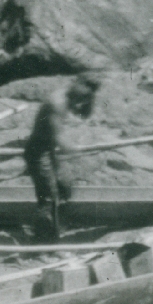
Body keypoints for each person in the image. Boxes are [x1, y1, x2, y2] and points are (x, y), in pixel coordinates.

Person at [22, 74, 99, 238]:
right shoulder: (57, 102)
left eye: (88, 93)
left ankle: (56, 228)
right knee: (48, 199)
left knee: (64, 188)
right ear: (77, 82)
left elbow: (84, 114)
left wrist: (89, 99)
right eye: (85, 90)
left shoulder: (74, 96)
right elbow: (59, 138)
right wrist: (78, 151)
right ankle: (42, 244)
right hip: (37, 152)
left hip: (49, 151)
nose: (85, 95)